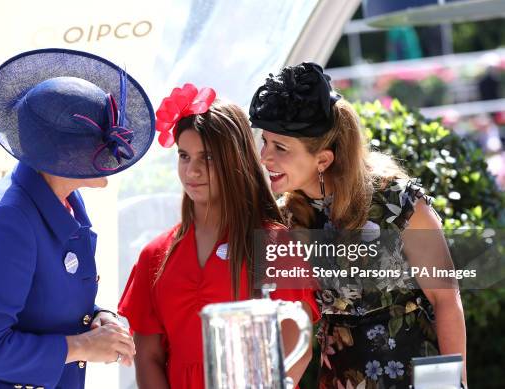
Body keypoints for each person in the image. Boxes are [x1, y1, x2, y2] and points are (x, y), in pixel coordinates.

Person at [0, 48, 155, 389]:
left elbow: (43, 299)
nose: (116, 152)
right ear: (64, 154)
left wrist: (98, 318)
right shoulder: (6, 223)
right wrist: (82, 346)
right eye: (97, 140)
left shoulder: (63, 197)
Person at [250, 63, 467, 389]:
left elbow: (446, 300)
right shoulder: (285, 220)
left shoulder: (397, 201)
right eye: (265, 142)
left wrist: (456, 384)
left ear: (323, 160)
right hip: (340, 380)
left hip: (418, 378)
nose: (265, 156)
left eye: (280, 147)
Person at [118, 83, 320, 389]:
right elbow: (148, 357)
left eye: (207, 158)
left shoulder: (275, 243)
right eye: (184, 156)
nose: (192, 171)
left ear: (235, 160)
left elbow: (297, 345)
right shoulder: (153, 255)